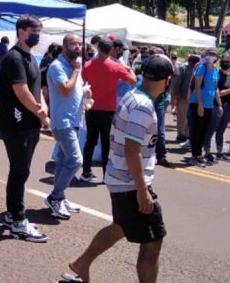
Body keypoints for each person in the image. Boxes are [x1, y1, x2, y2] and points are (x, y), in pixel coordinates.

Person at [65, 54, 174, 283]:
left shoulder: (132, 96)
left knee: (120, 227)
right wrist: (142, 190)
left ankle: (81, 263)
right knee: (152, 241)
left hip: (119, 178)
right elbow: (131, 149)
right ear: (167, 80)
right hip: (130, 184)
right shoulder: (143, 107)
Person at [0, 15, 49, 243]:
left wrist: (43, 107)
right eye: (33, 31)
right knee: (19, 170)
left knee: (21, 170)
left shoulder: (30, 57)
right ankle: (18, 221)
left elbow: (35, 89)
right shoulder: (14, 57)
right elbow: (21, 91)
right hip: (16, 124)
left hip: (30, 123)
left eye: (38, 31)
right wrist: (40, 113)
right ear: (21, 32)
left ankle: (12, 215)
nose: (37, 35)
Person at [80, 39, 137, 182]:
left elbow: (84, 80)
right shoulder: (116, 66)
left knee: (90, 141)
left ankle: (86, 171)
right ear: (111, 50)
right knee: (107, 143)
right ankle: (106, 174)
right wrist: (130, 70)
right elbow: (133, 81)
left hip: (92, 107)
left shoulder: (87, 65)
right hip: (108, 110)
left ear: (98, 48)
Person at [46, 34, 89, 220]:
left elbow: (74, 91)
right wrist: (77, 71)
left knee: (63, 162)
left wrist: (85, 95)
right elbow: (65, 90)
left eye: (80, 44)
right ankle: (55, 197)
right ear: (64, 47)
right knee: (76, 160)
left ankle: (60, 197)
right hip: (63, 122)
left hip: (75, 120)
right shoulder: (58, 66)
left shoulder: (73, 66)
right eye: (73, 44)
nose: (78, 47)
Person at [187, 49, 222, 167]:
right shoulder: (202, 67)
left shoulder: (216, 70)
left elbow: (215, 88)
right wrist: (200, 104)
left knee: (204, 130)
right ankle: (194, 156)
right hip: (198, 103)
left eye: (214, 55)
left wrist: (220, 105)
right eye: (209, 54)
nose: (211, 56)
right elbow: (197, 87)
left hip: (209, 104)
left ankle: (199, 155)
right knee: (197, 130)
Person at [203, 54, 230, 163]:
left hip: (229, 105)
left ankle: (219, 152)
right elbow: (215, 92)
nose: (226, 63)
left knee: (221, 130)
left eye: (228, 61)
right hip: (216, 105)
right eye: (224, 61)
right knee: (211, 129)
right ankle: (207, 152)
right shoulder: (216, 74)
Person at [170, 54, 198, 143]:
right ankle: (181, 135)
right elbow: (176, 82)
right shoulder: (183, 68)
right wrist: (176, 95)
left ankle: (187, 134)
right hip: (183, 96)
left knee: (191, 117)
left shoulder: (198, 68)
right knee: (182, 117)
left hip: (195, 97)